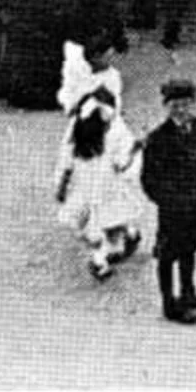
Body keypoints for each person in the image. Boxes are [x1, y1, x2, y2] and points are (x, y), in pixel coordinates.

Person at [140, 78, 196, 324]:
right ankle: (169, 304)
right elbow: (149, 180)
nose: (181, 110)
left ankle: (188, 293)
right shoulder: (157, 138)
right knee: (168, 254)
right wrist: (169, 202)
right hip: (173, 210)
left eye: (185, 105)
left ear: (193, 104)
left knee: (190, 248)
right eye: (175, 106)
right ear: (166, 106)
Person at [55, 85, 145, 281]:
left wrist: (62, 184)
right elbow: (122, 163)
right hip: (107, 187)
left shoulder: (77, 126)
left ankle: (101, 259)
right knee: (109, 218)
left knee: (95, 225)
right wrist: (135, 149)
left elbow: (67, 158)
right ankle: (125, 237)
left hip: (89, 188)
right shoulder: (116, 129)